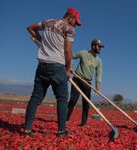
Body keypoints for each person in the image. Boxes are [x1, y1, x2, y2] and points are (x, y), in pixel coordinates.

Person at [23, 8, 81, 137]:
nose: (75, 25)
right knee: (62, 98)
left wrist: (42, 41)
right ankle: (61, 131)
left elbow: (30, 28)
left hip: (42, 65)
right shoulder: (69, 29)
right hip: (57, 66)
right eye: (75, 22)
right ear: (70, 17)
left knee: (36, 97)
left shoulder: (47, 22)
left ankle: (27, 129)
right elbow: (67, 50)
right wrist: (68, 68)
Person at [67, 39, 104, 126]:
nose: (100, 48)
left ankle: (83, 124)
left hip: (87, 83)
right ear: (93, 46)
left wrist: (97, 86)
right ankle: (65, 120)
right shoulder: (84, 53)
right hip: (77, 79)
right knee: (73, 100)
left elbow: (99, 73)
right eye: (99, 46)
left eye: (101, 47)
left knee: (86, 103)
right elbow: (71, 56)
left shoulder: (98, 60)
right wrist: (70, 67)